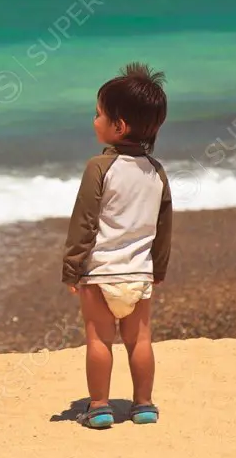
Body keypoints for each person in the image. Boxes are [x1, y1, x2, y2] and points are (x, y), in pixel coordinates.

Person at [62, 62, 172, 428]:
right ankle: (143, 404)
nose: (94, 120)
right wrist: (158, 268)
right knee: (140, 340)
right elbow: (163, 224)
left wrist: (72, 267)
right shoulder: (156, 171)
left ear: (118, 126)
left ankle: (98, 406)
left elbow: (85, 221)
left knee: (99, 340)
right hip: (139, 273)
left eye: (98, 114)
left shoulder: (99, 167)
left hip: (101, 272)